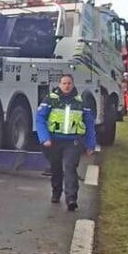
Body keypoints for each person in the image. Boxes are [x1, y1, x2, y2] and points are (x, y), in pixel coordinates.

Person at [34, 73, 96, 211]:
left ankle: (71, 198)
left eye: (69, 83)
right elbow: (40, 119)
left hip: (73, 141)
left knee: (70, 167)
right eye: (64, 83)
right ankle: (56, 192)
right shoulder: (50, 100)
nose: (67, 86)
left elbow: (89, 124)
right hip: (54, 141)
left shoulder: (81, 102)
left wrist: (90, 144)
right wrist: (44, 138)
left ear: (73, 84)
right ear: (60, 85)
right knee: (56, 168)